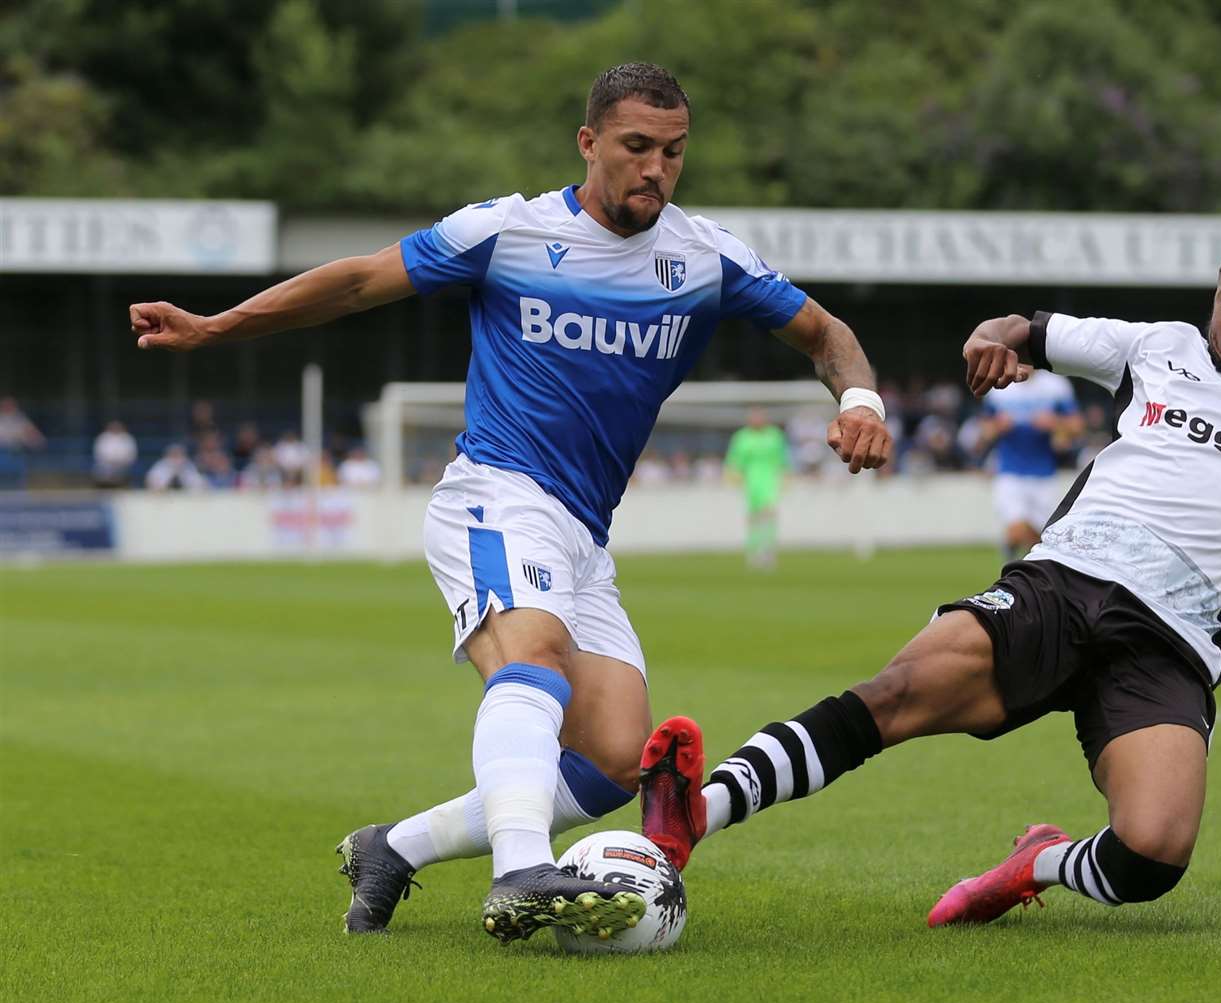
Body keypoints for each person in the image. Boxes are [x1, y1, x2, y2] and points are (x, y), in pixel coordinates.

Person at [128, 62, 892, 944]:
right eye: (636, 147)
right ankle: (520, 871)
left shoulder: (704, 257)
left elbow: (827, 333)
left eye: (673, 152)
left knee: (611, 756)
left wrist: (859, 403)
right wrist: (219, 326)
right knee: (533, 659)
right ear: (589, 143)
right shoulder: (508, 231)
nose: (655, 169)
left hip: (584, 533)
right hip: (493, 494)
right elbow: (354, 282)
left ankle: (395, 846)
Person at [638, 233, 1221, 930]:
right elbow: (1027, 324)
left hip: (1171, 641)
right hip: (1063, 584)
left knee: (1153, 856)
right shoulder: (1156, 348)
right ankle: (696, 815)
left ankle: (1037, 864)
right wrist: (996, 335)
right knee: (896, 692)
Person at [978, 367, 1082, 560]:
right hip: (1010, 472)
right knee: (1016, 529)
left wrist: (1055, 423)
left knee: (1039, 539)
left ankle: (1020, 568)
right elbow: (985, 431)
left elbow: (1076, 426)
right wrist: (998, 426)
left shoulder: (1055, 386)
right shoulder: (1000, 387)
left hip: (1044, 474)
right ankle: (1010, 562)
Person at [724, 407, 793, 569]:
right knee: (754, 517)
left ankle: (767, 550)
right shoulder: (742, 437)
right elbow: (734, 459)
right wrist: (732, 475)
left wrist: (786, 475)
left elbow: (783, 457)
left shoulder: (774, 435)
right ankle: (753, 550)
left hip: (770, 478)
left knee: (769, 514)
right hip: (751, 480)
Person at [92, 420, 139, 489]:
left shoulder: (127, 438)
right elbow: (99, 454)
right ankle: (103, 489)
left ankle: (123, 487)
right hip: (106, 465)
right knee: (100, 470)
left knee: (123, 472)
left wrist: (120, 461)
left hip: (123, 465)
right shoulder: (103, 437)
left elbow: (131, 454)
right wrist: (111, 461)